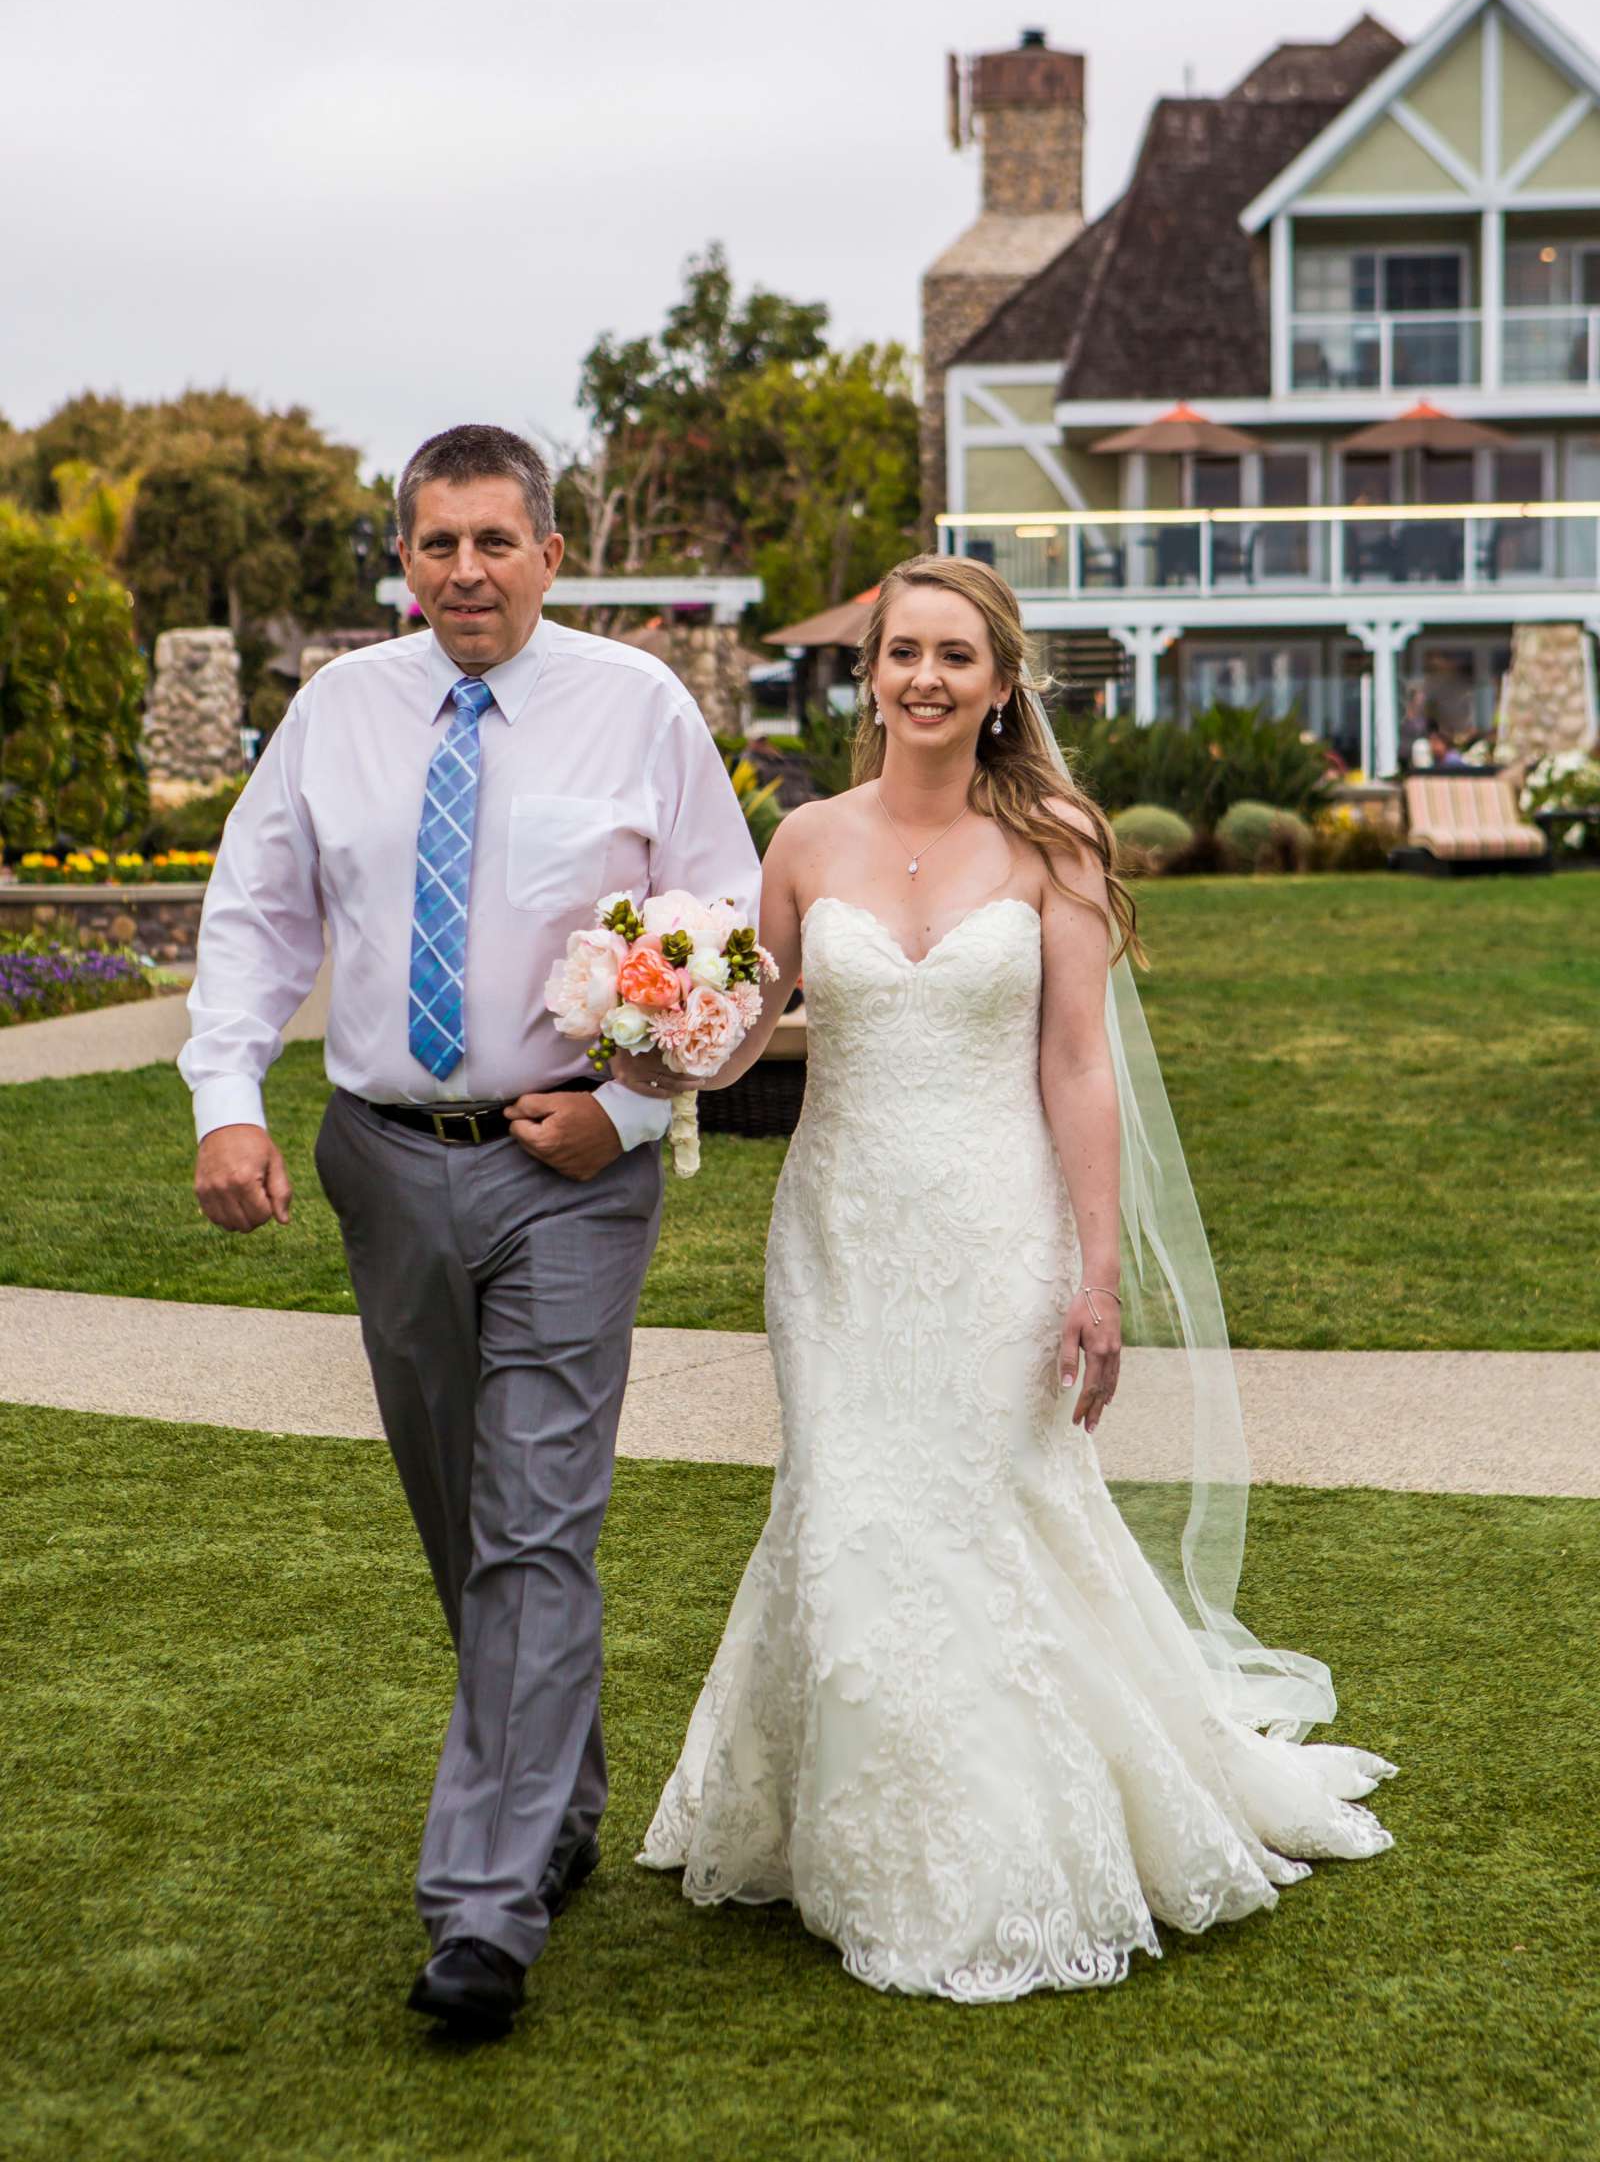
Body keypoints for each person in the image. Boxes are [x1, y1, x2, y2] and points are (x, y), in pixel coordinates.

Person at [617, 555, 1393, 2001]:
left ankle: (1000, 1835)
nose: (925, 677)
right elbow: (740, 1037)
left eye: (955, 656)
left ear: (999, 680)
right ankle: (850, 1833)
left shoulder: (1055, 843)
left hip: (998, 1229)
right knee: (846, 1499)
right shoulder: (803, 845)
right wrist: (647, 1038)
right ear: (872, 677)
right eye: (901, 652)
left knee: (989, 1503)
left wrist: (1099, 1273)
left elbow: (1078, 1062)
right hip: (839, 1237)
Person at [180, 423, 759, 2034]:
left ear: (552, 554)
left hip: (567, 1165)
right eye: (436, 545)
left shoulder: (638, 708)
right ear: (404, 557)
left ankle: (483, 1910)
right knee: (463, 1510)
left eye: (495, 541)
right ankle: (553, 1798)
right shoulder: (339, 714)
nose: (464, 572)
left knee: (533, 1519)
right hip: (381, 1159)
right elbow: (255, 917)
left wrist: (631, 1111)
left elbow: (731, 938)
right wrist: (227, 1095)